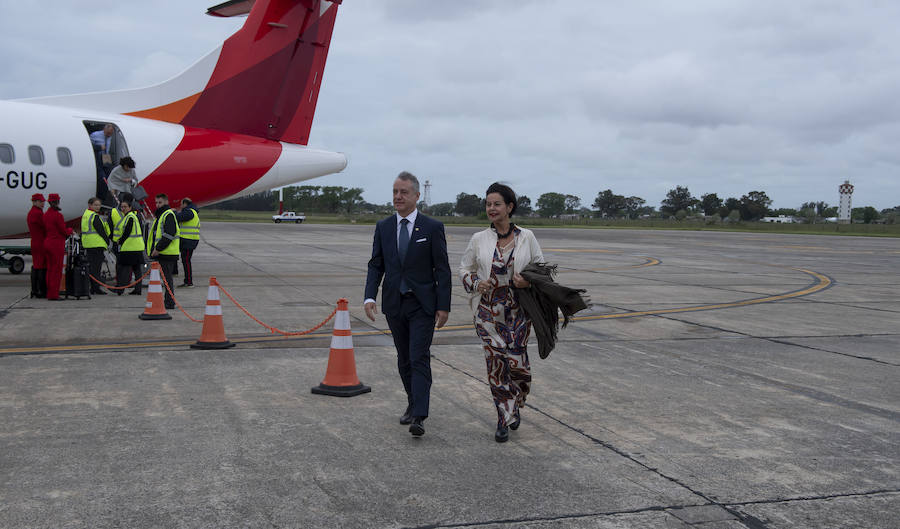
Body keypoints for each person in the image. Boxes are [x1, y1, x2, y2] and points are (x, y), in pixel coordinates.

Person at [364, 171, 452, 438]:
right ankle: (412, 402)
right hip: (394, 303)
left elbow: (442, 270)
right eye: (394, 192)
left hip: (422, 305)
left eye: (403, 192)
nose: (397, 197)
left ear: (416, 196)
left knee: (418, 357)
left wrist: (443, 305)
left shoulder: (432, 227)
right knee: (404, 359)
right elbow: (376, 264)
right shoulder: (384, 227)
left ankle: (420, 416)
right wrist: (369, 296)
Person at [458, 182, 545, 443]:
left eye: (497, 204)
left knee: (519, 368)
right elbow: (464, 268)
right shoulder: (479, 239)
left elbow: (543, 269)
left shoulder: (526, 237)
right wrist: (476, 283)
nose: (491, 209)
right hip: (488, 313)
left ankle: (516, 402)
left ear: (509, 207)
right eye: (488, 204)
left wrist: (527, 281)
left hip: (518, 312)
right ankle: (503, 418)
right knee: (497, 365)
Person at [147, 193, 180, 310]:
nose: (157, 205)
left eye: (160, 202)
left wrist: (158, 249)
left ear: (166, 202)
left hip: (167, 253)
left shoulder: (168, 215)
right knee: (165, 279)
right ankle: (167, 301)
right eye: (156, 203)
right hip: (163, 253)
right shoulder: (161, 215)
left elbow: (169, 234)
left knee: (167, 280)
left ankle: (170, 302)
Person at [43, 193, 73, 301]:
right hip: (56, 244)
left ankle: (49, 292)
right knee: (56, 270)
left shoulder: (46, 214)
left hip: (47, 242)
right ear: (58, 202)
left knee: (50, 269)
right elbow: (63, 230)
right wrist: (70, 231)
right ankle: (54, 294)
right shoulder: (58, 215)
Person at [80, 197, 111, 295]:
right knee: (96, 268)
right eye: (95, 205)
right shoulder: (94, 216)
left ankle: (92, 287)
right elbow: (100, 230)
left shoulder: (86, 214)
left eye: (98, 205)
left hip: (88, 244)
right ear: (90, 205)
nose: (98, 207)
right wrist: (107, 241)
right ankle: (96, 287)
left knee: (92, 267)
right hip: (96, 244)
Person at [115, 199, 144, 296]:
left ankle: (120, 289)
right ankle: (138, 289)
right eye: (122, 207)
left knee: (124, 270)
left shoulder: (130, 217)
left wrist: (120, 241)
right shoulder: (132, 216)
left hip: (130, 247)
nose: (123, 209)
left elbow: (127, 231)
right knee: (136, 270)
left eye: (125, 207)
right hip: (137, 246)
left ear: (130, 207)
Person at [176, 197, 200, 287]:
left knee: (186, 261)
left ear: (185, 204)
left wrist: (174, 212)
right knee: (185, 260)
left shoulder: (189, 211)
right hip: (189, 240)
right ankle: (187, 280)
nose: (180, 206)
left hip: (188, 240)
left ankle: (189, 282)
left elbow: (180, 218)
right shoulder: (192, 211)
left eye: (181, 204)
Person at [27, 193, 47, 298]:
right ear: (34, 202)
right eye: (40, 201)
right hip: (40, 242)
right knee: (41, 266)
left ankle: (34, 289)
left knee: (36, 266)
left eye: (43, 201)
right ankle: (40, 290)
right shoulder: (37, 213)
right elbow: (45, 226)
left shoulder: (32, 212)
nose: (43, 203)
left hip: (35, 242)